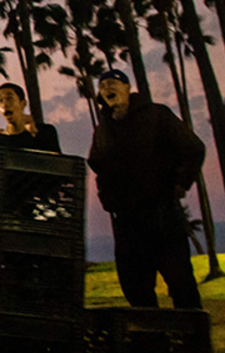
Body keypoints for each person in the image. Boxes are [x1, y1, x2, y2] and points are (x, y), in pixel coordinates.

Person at [88, 69, 205, 309]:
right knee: (135, 287)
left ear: (128, 88)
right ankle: (152, 342)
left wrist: (180, 184)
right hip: (125, 220)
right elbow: (97, 164)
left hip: (161, 214)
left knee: (180, 282)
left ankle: (192, 340)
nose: (108, 88)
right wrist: (106, 196)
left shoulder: (156, 114)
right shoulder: (103, 129)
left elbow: (194, 148)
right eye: (103, 86)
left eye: (113, 83)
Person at [0, 82, 61, 153]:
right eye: (0, 100)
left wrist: (35, 135)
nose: (5, 105)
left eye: (9, 98)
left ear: (23, 103)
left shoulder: (45, 132)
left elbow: (57, 162)